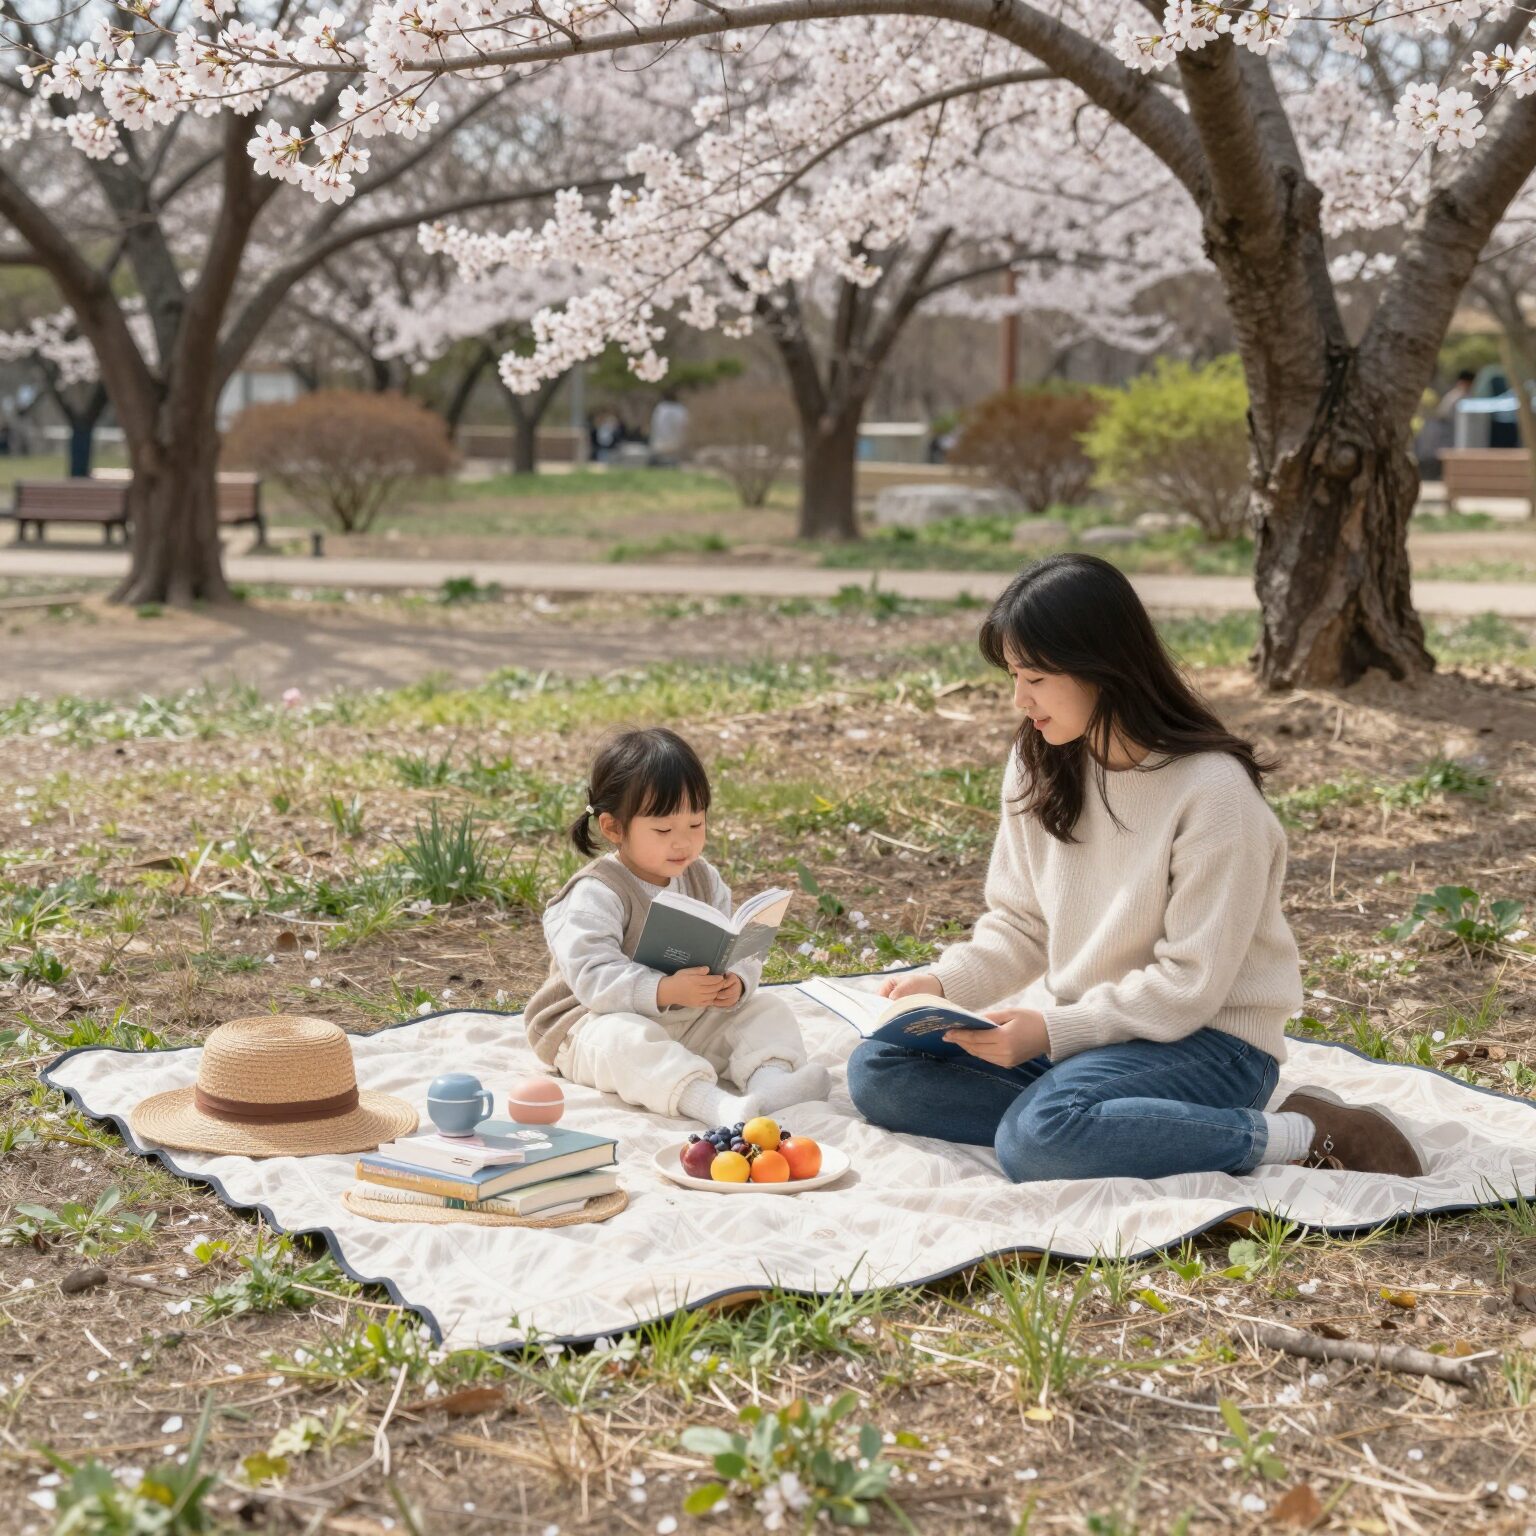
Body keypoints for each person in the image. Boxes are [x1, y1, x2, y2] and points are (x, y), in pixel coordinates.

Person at [847, 554, 1426, 1183]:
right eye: (1013, 675)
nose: (1020, 699)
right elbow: (1020, 925)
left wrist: (1052, 1032)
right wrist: (941, 987)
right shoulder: (1038, 759)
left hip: (1213, 1045)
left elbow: (1189, 985)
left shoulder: (1213, 792)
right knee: (881, 1071)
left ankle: (1304, 1132)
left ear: (1102, 667)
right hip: (1093, 1039)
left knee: (1037, 1141)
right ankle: (1111, 1126)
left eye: (1035, 677)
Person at [524, 727, 830, 1125]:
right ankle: (711, 1103)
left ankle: (769, 1084)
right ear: (614, 828)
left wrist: (735, 981)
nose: (682, 843)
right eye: (664, 830)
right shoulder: (595, 892)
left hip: (687, 1016)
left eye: (696, 825)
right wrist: (665, 989)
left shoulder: (703, 878)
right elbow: (593, 978)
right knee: (624, 1042)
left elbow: (740, 947)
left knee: (767, 1008)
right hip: (586, 1025)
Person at [648, 390, 688, 467]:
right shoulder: (680, 409)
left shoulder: (661, 408)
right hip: (675, 442)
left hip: (661, 442)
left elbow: (656, 425)